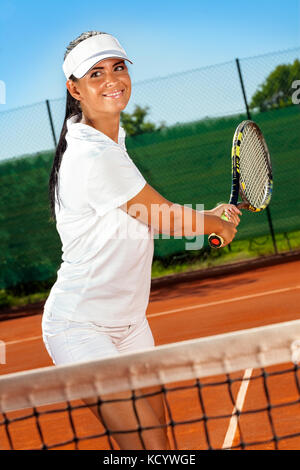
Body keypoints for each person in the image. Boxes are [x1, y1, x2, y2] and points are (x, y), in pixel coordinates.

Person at [42, 31, 241, 450]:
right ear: (74, 89)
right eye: (96, 73)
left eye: (118, 67)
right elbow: (159, 216)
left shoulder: (112, 141)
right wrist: (211, 223)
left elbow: (143, 215)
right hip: (80, 327)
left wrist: (209, 216)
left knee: (158, 441)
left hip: (131, 324)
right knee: (146, 441)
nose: (112, 79)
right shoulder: (91, 154)